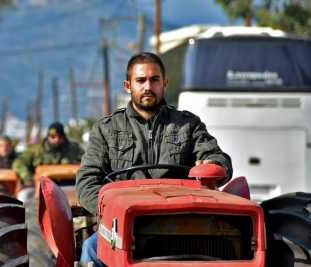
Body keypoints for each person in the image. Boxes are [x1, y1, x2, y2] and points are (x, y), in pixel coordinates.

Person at [76, 52, 233, 266]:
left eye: (154, 79)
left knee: (228, 246)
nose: (148, 86)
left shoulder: (188, 125)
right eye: (140, 80)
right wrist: (111, 211)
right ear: (127, 85)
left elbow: (216, 158)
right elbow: (87, 181)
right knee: (91, 249)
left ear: (164, 83)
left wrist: (212, 164)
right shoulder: (106, 129)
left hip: (182, 222)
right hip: (123, 223)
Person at [12, 122, 84, 186]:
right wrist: (28, 178)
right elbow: (19, 163)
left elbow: (88, 162)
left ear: (64, 137)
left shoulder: (74, 149)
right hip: (42, 188)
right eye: (53, 136)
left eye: (60, 136)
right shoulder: (36, 150)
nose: (56, 139)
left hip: (71, 186)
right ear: (48, 136)